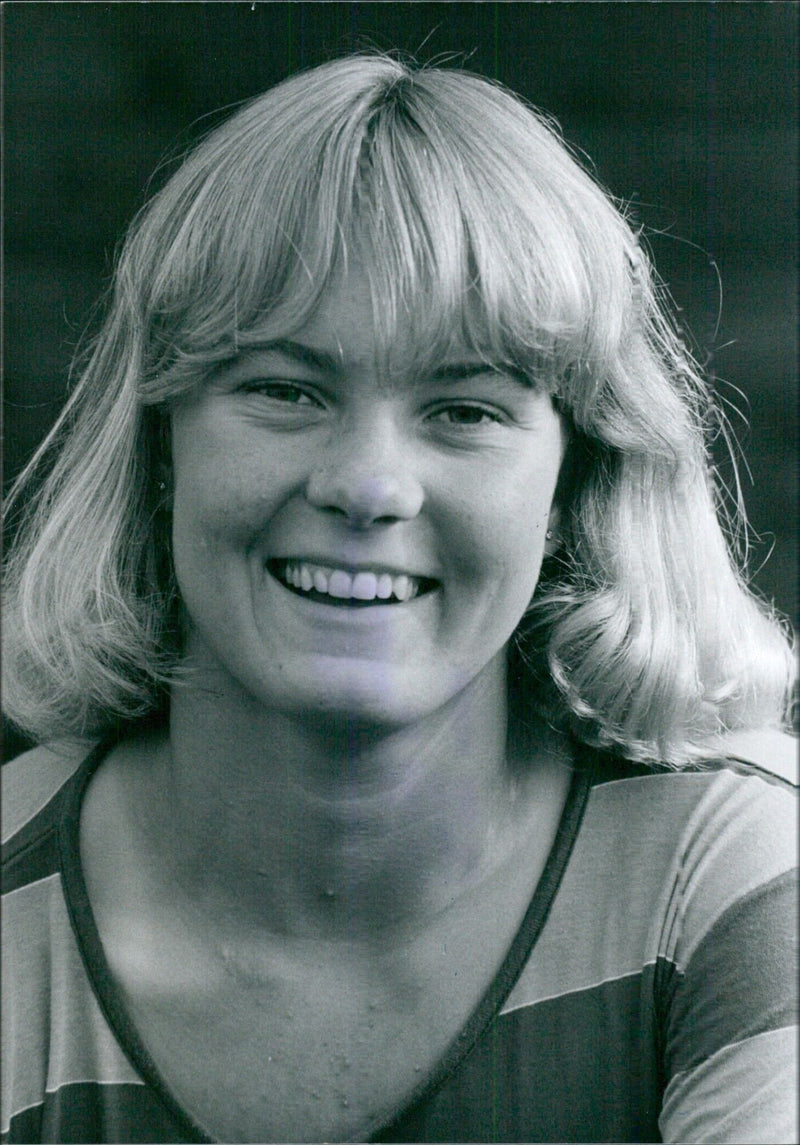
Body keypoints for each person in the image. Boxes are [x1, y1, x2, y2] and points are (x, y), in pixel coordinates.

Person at [2, 54, 796, 1145]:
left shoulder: (736, 879)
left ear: (575, 484)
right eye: (284, 389)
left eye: (464, 408)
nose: (366, 485)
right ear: (157, 444)